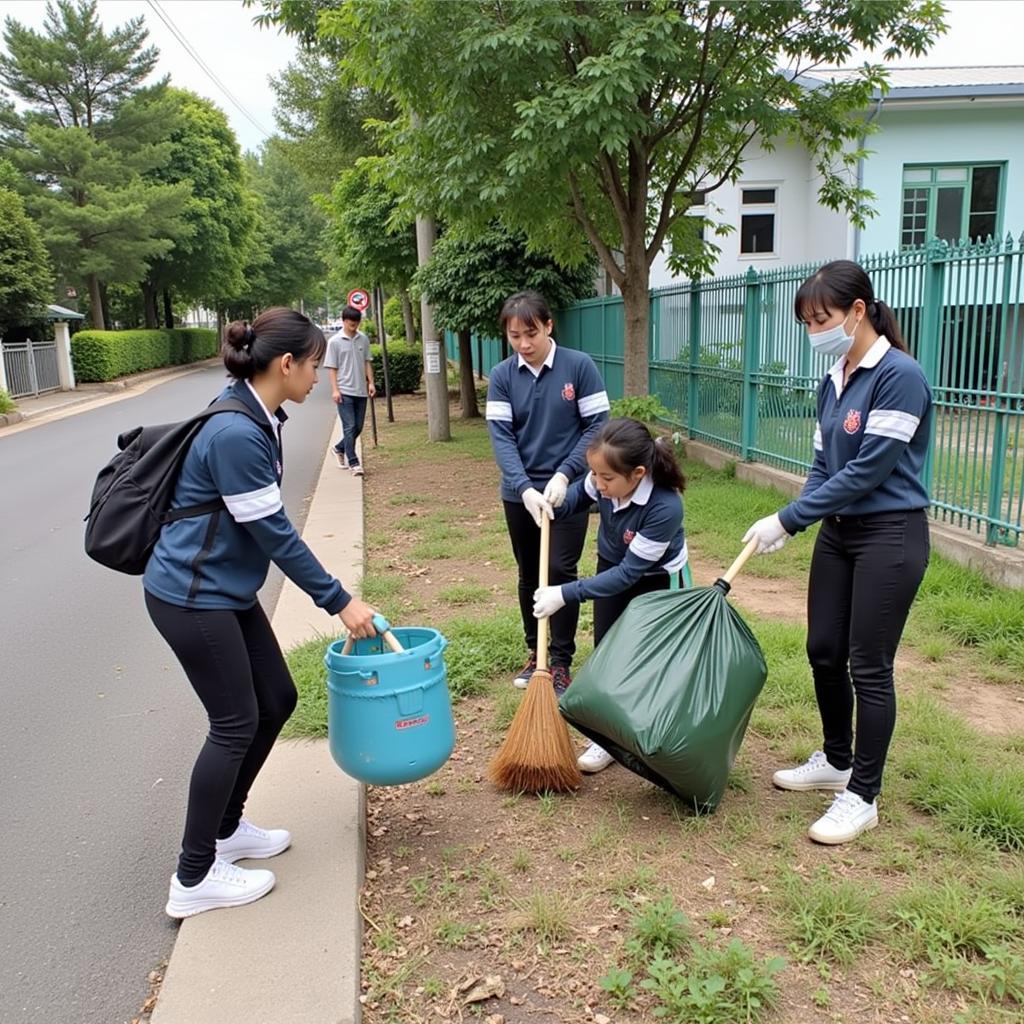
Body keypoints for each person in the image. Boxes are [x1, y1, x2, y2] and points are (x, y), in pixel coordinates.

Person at [143, 307, 377, 918]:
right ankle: (192, 878)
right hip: (192, 598)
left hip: (223, 591)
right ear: (286, 364)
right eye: (314, 366)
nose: (316, 378)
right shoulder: (237, 432)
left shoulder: (257, 413)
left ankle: (226, 829)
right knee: (234, 722)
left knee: (276, 699)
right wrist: (340, 600)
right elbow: (275, 533)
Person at [742, 259, 932, 845]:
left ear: (857, 311)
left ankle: (863, 795)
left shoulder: (900, 375)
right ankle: (836, 758)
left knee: (868, 665)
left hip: (890, 534)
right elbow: (826, 467)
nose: (813, 331)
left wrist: (788, 517)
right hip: (840, 534)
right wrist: (794, 521)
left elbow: (869, 470)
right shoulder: (836, 376)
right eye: (805, 322)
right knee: (824, 650)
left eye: (820, 319)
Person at [532, 418, 687, 773]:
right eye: (594, 475)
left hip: (654, 579)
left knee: (642, 657)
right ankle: (606, 739)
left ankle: (646, 733)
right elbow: (576, 500)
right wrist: (553, 502)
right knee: (606, 649)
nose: (597, 484)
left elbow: (630, 574)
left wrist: (566, 593)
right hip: (613, 563)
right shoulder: (604, 476)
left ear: (637, 473)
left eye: (606, 479)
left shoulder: (664, 506)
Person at [486, 290, 610, 696]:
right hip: (519, 493)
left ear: (549, 325)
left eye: (532, 333)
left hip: (568, 492)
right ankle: (534, 653)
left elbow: (596, 427)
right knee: (528, 574)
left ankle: (559, 660)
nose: (524, 344)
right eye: (515, 335)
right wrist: (522, 487)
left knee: (559, 570)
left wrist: (563, 475)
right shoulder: (503, 375)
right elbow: (502, 437)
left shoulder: (579, 367)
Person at [325, 305, 375, 477]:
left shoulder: (363, 339)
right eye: (351, 323)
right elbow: (331, 368)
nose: (354, 326)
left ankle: (339, 448)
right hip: (344, 391)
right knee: (349, 426)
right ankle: (354, 462)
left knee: (358, 427)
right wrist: (335, 390)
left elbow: (367, 362)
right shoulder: (334, 342)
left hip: (360, 389)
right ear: (344, 321)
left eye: (356, 323)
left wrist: (371, 383)